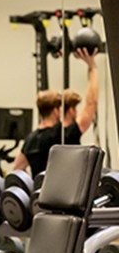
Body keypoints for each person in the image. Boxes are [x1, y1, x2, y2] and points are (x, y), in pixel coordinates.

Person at [13, 47, 99, 176]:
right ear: (55, 111)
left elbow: (17, 169)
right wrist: (92, 67)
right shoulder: (63, 134)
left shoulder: (30, 140)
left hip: (41, 195)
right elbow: (91, 103)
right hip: (67, 195)